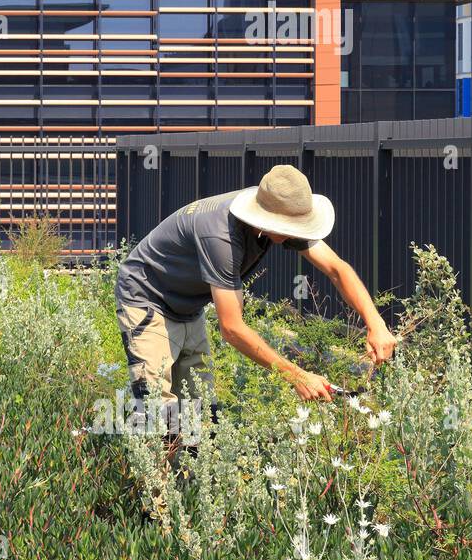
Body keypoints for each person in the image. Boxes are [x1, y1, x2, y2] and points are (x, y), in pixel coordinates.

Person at [115, 164, 397, 439]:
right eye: (290, 227)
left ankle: (189, 481)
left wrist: (376, 323)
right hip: (145, 297)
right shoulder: (221, 236)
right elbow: (233, 329)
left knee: (198, 412)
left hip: (188, 305)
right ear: (264, 220)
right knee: (157, 412)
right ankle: (153, 484)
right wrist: (297, 376)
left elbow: (337, 269)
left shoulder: (279, 201)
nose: (295, 233)